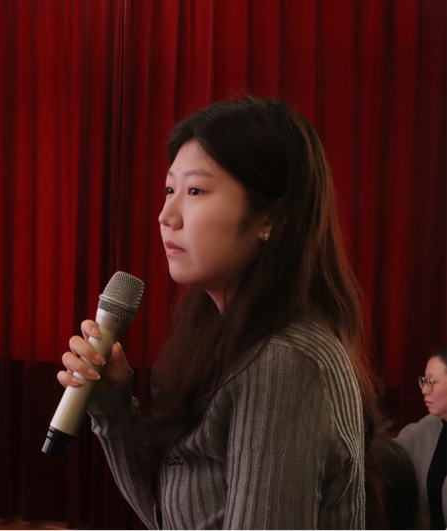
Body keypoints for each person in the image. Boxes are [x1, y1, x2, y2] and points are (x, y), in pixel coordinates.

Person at [57, 96, 383, 530]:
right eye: (169, 189)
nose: (166, 215)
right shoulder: (222, 336)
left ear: (270, 217)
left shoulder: (284, 364)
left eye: (195, 191)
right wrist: (111, 402)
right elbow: (171, 516)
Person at [397, 345, 447, 531]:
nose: (425, 390)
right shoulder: (428, 427)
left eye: (432, 382)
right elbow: (390, 456)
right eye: (424, 381)